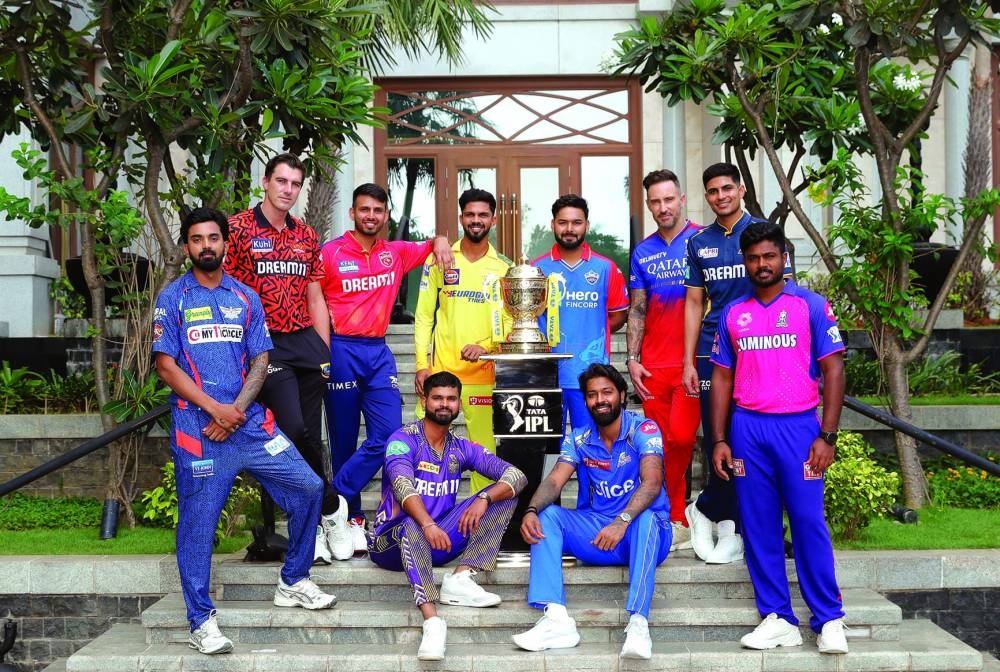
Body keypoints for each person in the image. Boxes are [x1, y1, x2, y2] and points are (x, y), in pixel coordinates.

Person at [153, 208, 336, 655]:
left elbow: (260, 360)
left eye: (214, 238)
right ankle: (200, 620)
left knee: (309, 486)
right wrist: (214, 409)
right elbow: (165, 365)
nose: (207, 246)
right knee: (199, 524)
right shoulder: (173, 298)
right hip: (200, 429)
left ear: (225, 244)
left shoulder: (246, 297)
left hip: (248, 424)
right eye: (197, 240)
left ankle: (293, 579)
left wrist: (235, 409)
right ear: (186, 248)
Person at [709, 221, 848, 654]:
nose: (761, 264)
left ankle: (829, 619)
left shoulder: (810, 305)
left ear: (784, 257)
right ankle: (778, 618)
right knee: (759, 526)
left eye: (769, 256)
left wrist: (827, 434)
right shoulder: (735, 313)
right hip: (749, 429)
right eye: (753, 258)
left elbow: (834, 370)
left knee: (808, 523)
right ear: (745, 262)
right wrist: (718, 439)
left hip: (800, 427)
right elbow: (721, 376)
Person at [223, 153, 344, 565]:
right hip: (264, 345)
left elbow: (315, 294)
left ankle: (311, 526)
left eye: (295, 184)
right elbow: (229, 291)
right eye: (281, 181)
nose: (288, 190)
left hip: (305, 342)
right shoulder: (237, 228)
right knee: (290, 428)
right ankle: (330, 506)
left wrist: (324, 350)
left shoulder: (307, 235)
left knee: (310, 432)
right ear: (265, 181)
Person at [320, 183, 453, 555]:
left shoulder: (394, 253)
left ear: (385, 215)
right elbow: (312, 298)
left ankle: (331, 499)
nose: (372, 216)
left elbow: (431, 244)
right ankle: (350, 521)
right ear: (352, 213)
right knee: (343, 441)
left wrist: (441, 239)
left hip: (378, 352)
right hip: (341, 348)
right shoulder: (330, 254)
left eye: (378, 210)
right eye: (365, 210)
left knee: (391, 435)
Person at [514, 363, 672, 661]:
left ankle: (638, 623)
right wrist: (531, 509)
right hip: (600, 535)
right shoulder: (579, 439)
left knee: (648, 517)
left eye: (607, 392)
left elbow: (652, 483)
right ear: (585, 401)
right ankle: (557, 620)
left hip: (642, 533)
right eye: (592, 394)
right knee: (547, 516)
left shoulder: (644, 429)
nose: (600, 400)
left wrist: (622, 520)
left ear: (622, 396)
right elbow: (554, 480)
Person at [369, 371, 527, 660]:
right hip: (389, 543)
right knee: (410, 525)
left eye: (451, 399)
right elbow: (403, 487)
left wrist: (483, 497)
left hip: (439, 540)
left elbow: (516, 475)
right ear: (424, 400)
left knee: (503, 495)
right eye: (438, 398)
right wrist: (427, 523)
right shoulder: (403, 440)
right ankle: (432, 621)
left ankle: (462, 578)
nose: (445, 404)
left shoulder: (461, 447)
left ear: (459, 403)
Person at [681, 162, 789, 564]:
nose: (721, 196)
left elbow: (785, 293)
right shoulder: (698, 243)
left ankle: (710, 507)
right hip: (714, 349)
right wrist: (688, 360)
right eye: (712, 191)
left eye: (727, 188)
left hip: (761, 346)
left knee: (753, 437)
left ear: (741, 190)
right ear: (706, 196)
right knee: (717, 437)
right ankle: (729, 521)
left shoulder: (764, 235)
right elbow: (694, 304)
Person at [414, 188, 512, 494]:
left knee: (484, 456)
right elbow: (423, 316)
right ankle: (427, 515)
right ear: (461, 218)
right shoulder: (441, 258)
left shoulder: (504, 268)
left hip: (484, 378)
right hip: (441, 376)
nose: (476, 220)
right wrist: (421, 365)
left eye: (483, 215)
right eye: (470, 214)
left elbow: (510, 323)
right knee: (423, 451)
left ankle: (478, 521)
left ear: (493, 220)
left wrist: (486, 347)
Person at [626, 169, 702, 552]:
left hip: (692, 364)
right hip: (653, 366)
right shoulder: (643, 252)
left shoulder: (702, 241)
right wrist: (632, 359)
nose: (662, 208)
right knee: (657, 442)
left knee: (683, 437)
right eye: (655, 201)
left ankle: (678, 512)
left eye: (668, 199)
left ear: (682, 199)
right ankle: (673, 516)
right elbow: (637, 310)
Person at [533, 194, 629, 434]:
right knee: (549, 450)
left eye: (576, 222)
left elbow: (618, 316)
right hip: (547, 375)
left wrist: (591, 333)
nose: (569, 229)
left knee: (590, 445)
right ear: (552, 224)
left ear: (587, 225)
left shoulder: (605, 268)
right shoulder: (536, 269)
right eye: (563, 222)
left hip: (591, 377)